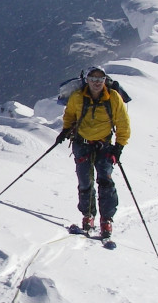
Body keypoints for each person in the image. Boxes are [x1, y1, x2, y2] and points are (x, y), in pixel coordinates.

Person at [55, 67, 131, 238]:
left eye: (100, 79)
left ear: (105, 81)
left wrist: (119, 146)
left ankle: (106, 219)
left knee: (105, 181)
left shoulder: (113, 98)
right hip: (82, 144)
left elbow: (123, 123)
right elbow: (70, 115)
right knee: (85, 181)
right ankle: (88, 215)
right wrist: (65, 130)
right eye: (93, 79)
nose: (96, 83)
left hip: (104, 146)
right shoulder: (77, 97)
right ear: (87, 80)